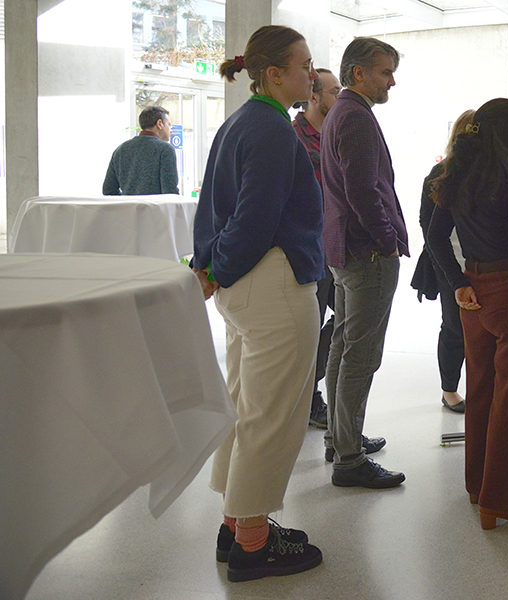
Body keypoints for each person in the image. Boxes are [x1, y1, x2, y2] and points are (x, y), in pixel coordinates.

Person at [190, 24, 323, 582]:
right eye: (304, 65)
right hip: (272, 283)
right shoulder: (271, 128)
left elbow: (211, 207)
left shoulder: (242, 122)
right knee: (272, 417)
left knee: (248, 407)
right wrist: (217, 265)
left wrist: (209, 265)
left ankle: (237, 524)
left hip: (246, 288)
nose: (312, 75)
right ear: (274, 74)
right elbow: (254, 217)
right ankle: (252, 544)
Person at [427, 98, 508, 530]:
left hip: (474, 295)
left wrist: (458, 282)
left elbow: (435, 237)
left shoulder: (454, 174)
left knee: (480, 391)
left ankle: (478, 485)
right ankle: (506, 500)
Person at [319, 36, 409, 489]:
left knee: (343, 344)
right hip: (366, 253)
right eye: (385, 72)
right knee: (360, 355)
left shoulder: (342, 112)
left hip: (344, 250)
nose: (391, 80)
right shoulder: (354, 116)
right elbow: (362, 191)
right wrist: (388, 240)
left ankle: (341, 438)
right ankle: (349, 459)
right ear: (359, 73)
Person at [414, 109, 476, 414]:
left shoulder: (490, 173)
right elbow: (428, 225)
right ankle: (449, 389)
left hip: (482, 264)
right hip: (450, 263)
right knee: (454, 328)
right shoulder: (439, 174)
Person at [292, 67, 343, 429]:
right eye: (334, 91)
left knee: (347, 319)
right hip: (309, 250)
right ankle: (308, 398)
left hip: (339, 249)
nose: (340, 97)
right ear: (315, 96)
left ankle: (313, 388)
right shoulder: (293, 138)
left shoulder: (337, 135)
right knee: (310, 326)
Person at [102, 105, 179, 196]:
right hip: (155, 210)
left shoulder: (120, 150)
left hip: (129, 209)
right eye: (169, 125)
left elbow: (108, 190)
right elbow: (170, 194)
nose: (171, 131)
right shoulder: (165, 150)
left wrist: (129, 201)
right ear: (159, 124)